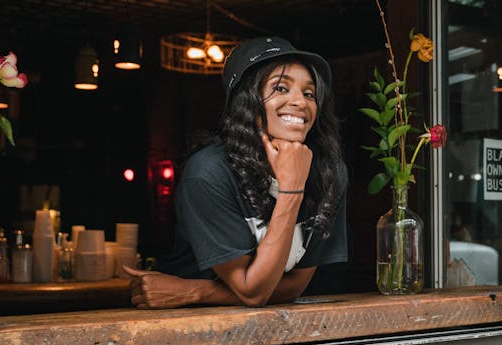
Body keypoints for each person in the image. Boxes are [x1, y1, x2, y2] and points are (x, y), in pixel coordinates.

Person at [124, 36, 347, 308]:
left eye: (309, 93)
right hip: (185, 326)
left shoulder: (327, 172)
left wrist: (196, 292)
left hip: (265, 326)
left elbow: (293, 286)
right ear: (248, 101)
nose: (301, 102)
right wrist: (291, 190)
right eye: (281, 88)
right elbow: (253, 292)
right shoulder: (209, 172)